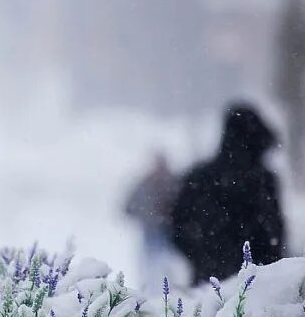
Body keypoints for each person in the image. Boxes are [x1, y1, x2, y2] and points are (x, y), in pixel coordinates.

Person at [170, 103, 287, 285]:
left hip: (208, 284)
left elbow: (177, 227)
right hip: (257, 287)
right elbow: (275, 233)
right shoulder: (263, 181)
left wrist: (202, 257)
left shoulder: (199, 177)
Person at [123, 152, 180, 290]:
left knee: (167, 264)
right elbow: (128, 206)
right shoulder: (144, 184)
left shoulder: (174, 183)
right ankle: (150, 288)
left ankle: (167, 288)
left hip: (169, 234)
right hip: (150, 233)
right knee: (149, 266)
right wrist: (143, 214)